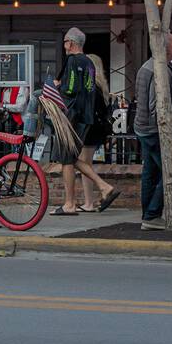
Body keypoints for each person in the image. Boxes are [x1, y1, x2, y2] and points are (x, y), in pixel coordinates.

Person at [56, 29, 117, 215]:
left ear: (71, 43)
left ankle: (70, 203)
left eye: (65, 41)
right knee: (71, 158)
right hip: (86, 117)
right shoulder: (89, 63)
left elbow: (72, 88)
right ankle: (103, 188)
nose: (64, 45)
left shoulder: (73, 60)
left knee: (67, 158)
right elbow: (88, 87)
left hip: (72, 115)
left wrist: (58, 88)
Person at [134, 33, 172, 230]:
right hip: (154, 130)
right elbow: (157, 104)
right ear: (165, 47)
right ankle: (152, 214)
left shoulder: (147, 66)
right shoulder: (158, 70)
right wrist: (165, 127)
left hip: (144, 128)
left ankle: (148, 214)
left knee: (151, 172)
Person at [76, 52, 114, 211]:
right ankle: (89, 201)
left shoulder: (91, 87)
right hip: (97, 129)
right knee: (86, 164)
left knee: (81, 163)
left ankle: (92, 199)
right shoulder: (101, 86)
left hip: (89, 128)